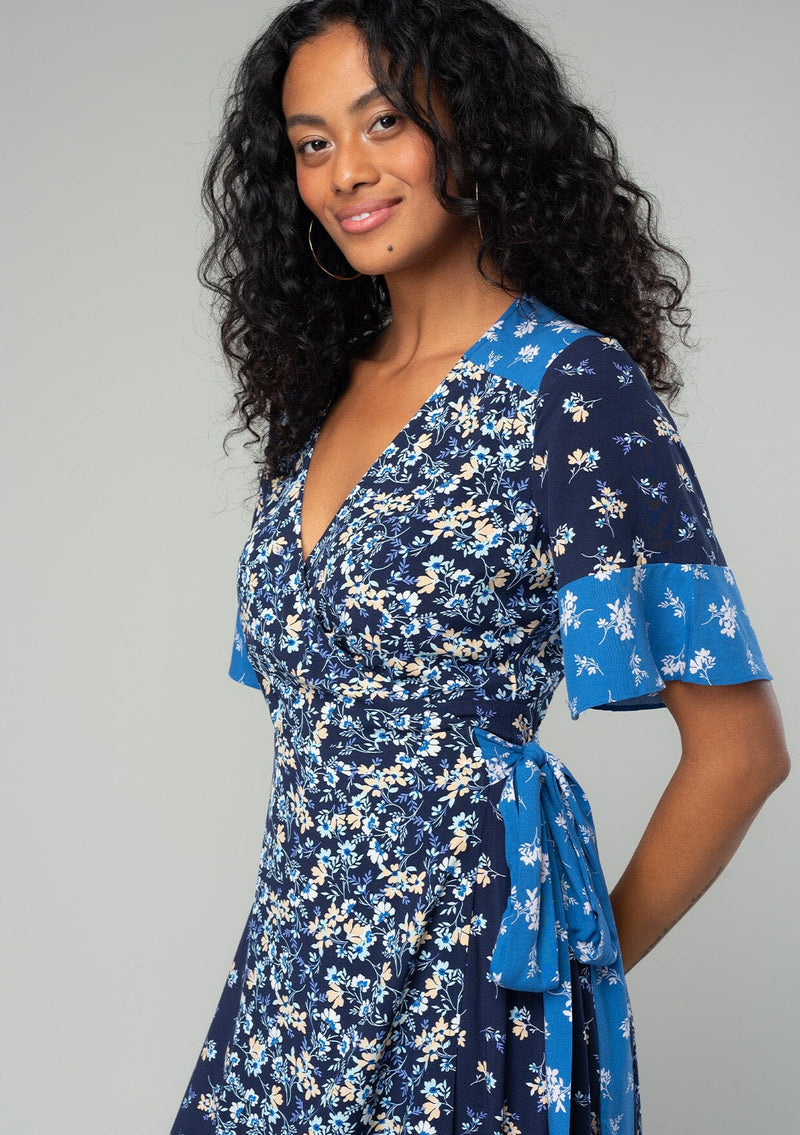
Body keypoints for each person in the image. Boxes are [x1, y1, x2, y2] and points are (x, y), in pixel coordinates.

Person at [170, 2, 790, 1132]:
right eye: (311, 143)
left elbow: (741, 754)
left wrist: (573, 978)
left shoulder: (571, 389)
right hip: (290, 987)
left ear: (476, 125)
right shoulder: (317, 397)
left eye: (384, 122)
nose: (346, 172)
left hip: (468, 996)